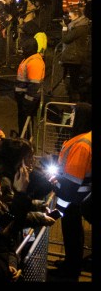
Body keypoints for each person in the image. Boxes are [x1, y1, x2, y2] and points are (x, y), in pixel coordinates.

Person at [49, 102, 92, 281]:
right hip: (80, 197)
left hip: (74, 198)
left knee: (72, 235)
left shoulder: (82, 144)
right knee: (74, 235)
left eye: (73, 115)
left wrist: (53, 184)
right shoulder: (85, 138)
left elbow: (71, 185)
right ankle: (70, 263)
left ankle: (70, 271)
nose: (69, 118)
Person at [59, 4, 90, 101]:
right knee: (73, 79)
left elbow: (66, 39)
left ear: (76, 15)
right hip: (74, 55)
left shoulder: (79, 28)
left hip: (74, 57)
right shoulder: (79, 25)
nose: (69, 16)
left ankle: (74, 101)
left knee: (73, 80)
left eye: (70, 14)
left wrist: (64, 28)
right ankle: (73, 98)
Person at [13, 36, 44, 133]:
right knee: (24, 122)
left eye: (24, 48)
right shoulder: (30, 59)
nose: (22, 50)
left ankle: (24, 142)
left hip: (27, 100)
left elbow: (34, 86)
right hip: (24, 97)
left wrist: (26, 103)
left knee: (26, 123)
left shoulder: (34, 62)